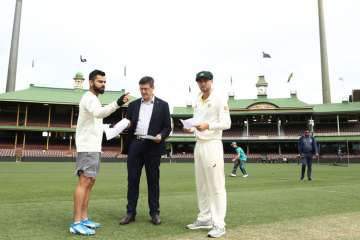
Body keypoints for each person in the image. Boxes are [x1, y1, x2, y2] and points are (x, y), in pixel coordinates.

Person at [70, 70, 129, 236]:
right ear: (91, 82)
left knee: (90, 182)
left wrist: (108, 128)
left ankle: (84, 218)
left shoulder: (94, 99)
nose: (103, 84)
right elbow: (99, 113)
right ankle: (76, 222)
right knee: (84, 182)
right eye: (100, 81)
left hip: (94, 147)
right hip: (87, 147)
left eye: (104, 82)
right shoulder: (89, 98)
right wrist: (117, 103)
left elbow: (95, 121)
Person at [184, 71, 231, 238]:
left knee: (216, 186)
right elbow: (198, 120)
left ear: (211, 81)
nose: (202, 84)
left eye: (205, 81)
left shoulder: (219, 98)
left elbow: (227, 123)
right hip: (199, 143)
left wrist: (208, 126)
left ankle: (219, 224)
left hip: (212, 144)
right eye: (199, 81)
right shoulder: (197, 98)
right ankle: (204, 218)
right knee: (201, 184)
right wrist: (191, 126)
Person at [119, 76, 171, 226]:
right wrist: (124, 125)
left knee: (153, 181)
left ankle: (154, 213)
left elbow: (167, 127)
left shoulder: (163, 105)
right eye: (141, 89)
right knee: (132, 180)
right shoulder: (133, 105)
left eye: (146, 89)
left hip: (153, 146)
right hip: (135, 144)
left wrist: (161, 136)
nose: (143, 92)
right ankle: (130, 213)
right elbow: (128, 122)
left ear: (152, 88)